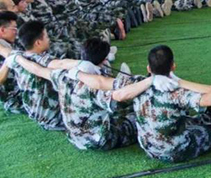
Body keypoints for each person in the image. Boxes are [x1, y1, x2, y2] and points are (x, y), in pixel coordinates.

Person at [11, 38, 151, 150]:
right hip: (100, 140)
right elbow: (121, 97)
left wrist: (18, 59)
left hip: (75, 138)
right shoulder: (96, 86)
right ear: (104, 61)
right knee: (138, 113)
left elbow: (38, 70)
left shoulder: (63, 76)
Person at [132, 45, 211, 163]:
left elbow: (120, 93)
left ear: (148, 68)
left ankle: (210, 118)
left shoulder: (137, 85)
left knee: (205, 117)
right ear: (173, 66)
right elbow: (209, 100)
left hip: (149, 146)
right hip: (174, 150)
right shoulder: (176, 92)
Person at [2, 21, 78, 130]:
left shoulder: (19, 57)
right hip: (53, 117)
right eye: (46, 37)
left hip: (36, 112)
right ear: (38, 42)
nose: (49, 39)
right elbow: (60, 64)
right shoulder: (38, 59)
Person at [0, 11, 23, 113]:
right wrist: (9, 60)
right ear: (2, 30)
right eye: (14, 29)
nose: (16, 32)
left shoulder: (8, 43)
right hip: (14, 97)